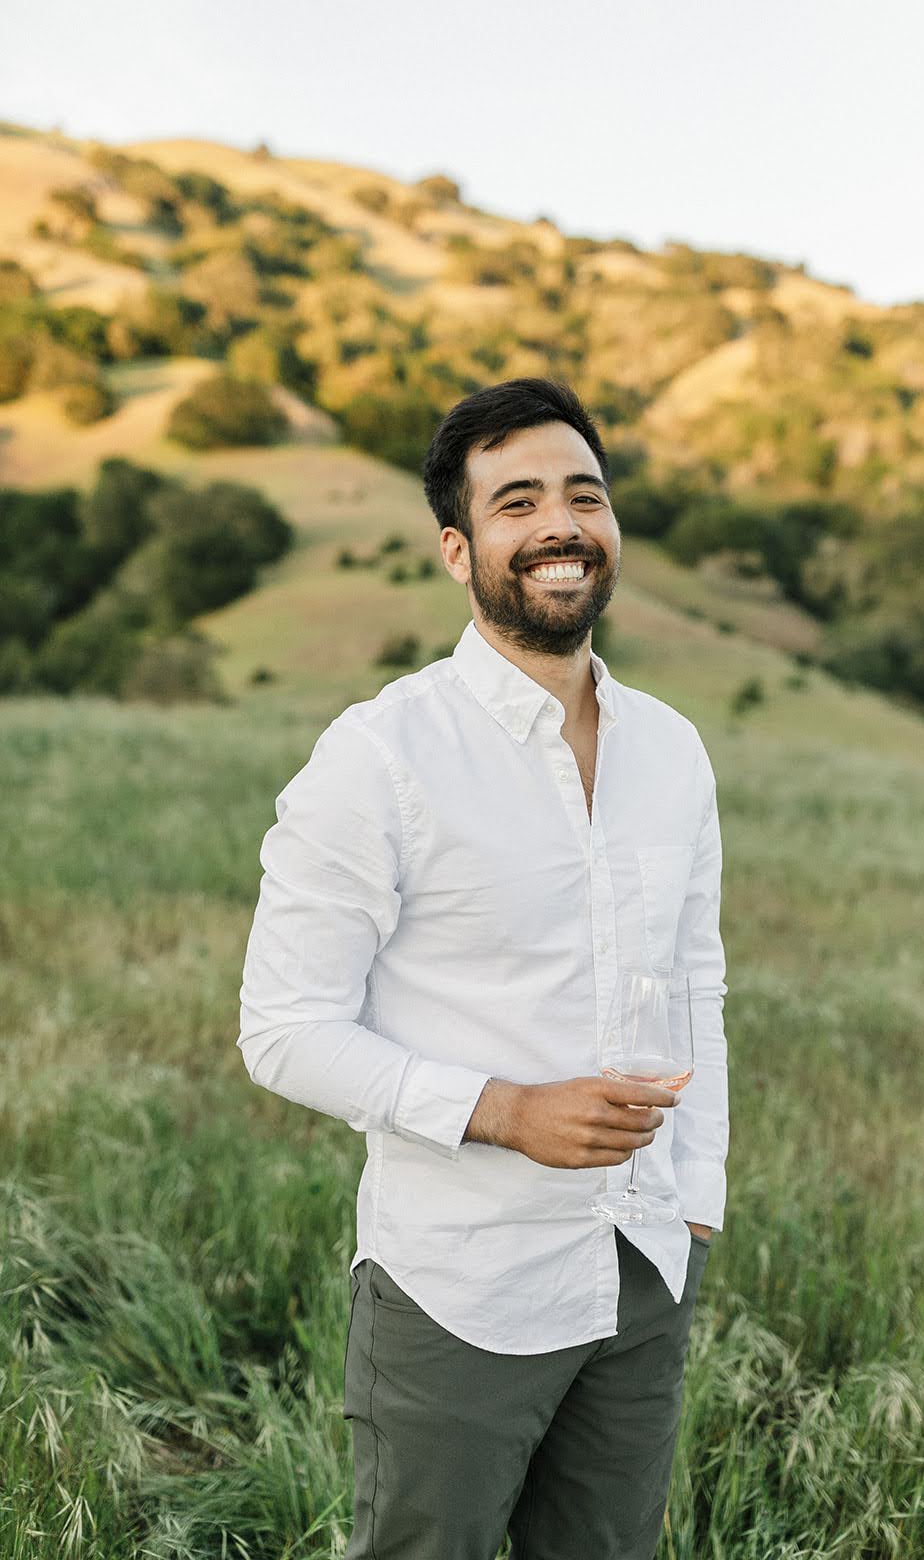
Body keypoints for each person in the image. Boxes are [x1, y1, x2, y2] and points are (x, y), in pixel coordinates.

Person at [237, 377, 729, 1559]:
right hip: (460, 1284)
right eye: (518, 502)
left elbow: (696, 976)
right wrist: (503, 1111)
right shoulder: (380, 755)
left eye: (583, 495)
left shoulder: (671, 748)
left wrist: (696, 1197)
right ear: (459, 551)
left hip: (642, 1265)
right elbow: (282, 1027)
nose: (560, 524)